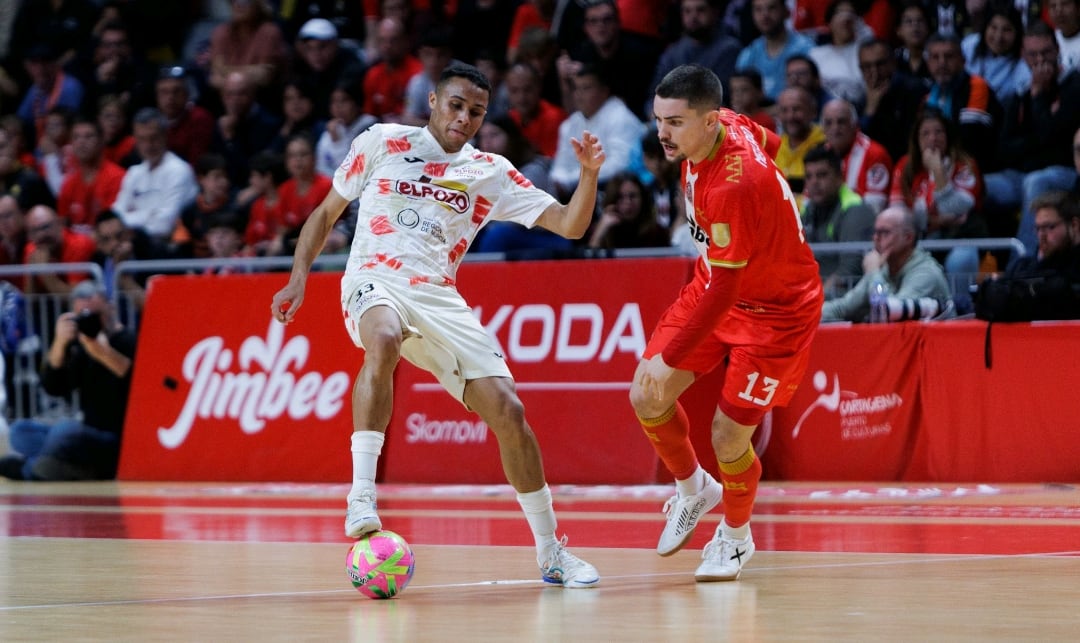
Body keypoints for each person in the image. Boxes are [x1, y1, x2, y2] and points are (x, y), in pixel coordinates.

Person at [270, 63, 602, 588]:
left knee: (510, 414)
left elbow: (570, 225)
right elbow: (326, 213)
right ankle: (361, 495)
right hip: (375, 278)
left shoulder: (489, 170)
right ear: (431, 100)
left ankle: (551, 553)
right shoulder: (381, 141)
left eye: (476, 112)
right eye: (456, 105)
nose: (464, 118)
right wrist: (298, 279)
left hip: (440, 297)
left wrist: (588, 176)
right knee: (381, 339)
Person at [631, 64, 823, 582]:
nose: (662, 134)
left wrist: (670, 356)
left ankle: (736, 537)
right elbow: (775, 141)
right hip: (717, 281)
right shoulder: (730, 126)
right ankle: (694, 490)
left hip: (776, 313)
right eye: (658, 120)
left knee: (727, 438)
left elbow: (725, 293)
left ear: (711, 121)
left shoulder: (733, 188)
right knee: (646, 395)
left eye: (674, 123)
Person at [0, 281, 136, 481]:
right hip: (86, 434)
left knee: (65, 431)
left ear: (111, 306)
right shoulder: (81, 347)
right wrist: (59, 343)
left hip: (117, 439)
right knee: (20, 431)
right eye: (83, 316)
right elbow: (53, 387)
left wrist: (103, 353)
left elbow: (135, 382)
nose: (90, 321)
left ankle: (31, 468)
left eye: (95, 314)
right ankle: (59, 465)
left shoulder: (130, 340)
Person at [821, 205, 955, 322]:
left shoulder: (926, 273)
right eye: (875, 232)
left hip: (939, 346)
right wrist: (806, 315)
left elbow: (891, 312)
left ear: (908, 237)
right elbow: (842, 308)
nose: (876, 238)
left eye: (884, 232)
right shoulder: (883, 268)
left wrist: (873, 272)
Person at [548, 64, 645, 200]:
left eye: (586, 88)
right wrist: (564, 182)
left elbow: (620, 166)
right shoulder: (569, 124)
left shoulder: (621, 118)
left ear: (604, 91)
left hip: (615, 193)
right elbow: (559, 168)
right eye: (576, 88)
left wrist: (573, 180)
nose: (579, 95)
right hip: (576, 191)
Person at [112, 107, 198, 244]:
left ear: (165, 136)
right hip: (135, 247)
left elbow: (163, 226)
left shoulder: (179, 171)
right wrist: (149, 214)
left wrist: (131, 217)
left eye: (153, 138)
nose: (148, 145)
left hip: (168, 250)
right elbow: (115, 219)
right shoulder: (134, 173)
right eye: (142, 139)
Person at [800, 144, 877, 294]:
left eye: (822, 175)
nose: (814, 182)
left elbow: (849, 271)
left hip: (845, 300)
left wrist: (813, 302)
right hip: (815, 296)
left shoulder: (855, 209)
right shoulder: (808, 209)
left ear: (839, 177)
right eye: (809, 176)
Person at [858, 37, 929, 163]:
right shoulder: (861, 101)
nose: (875, 73)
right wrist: (870, 110)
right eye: (867, 66)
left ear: (893, 63)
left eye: (880, 64)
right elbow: (858, 145)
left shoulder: (914, 90)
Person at [734, 0, 816, 102]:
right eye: (758, 9)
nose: (765, 15)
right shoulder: (748, 54)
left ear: (786, 12)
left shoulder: (805, 48)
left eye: (771, 8)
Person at [820, 98, 892, 212]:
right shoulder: (821, 155)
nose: (835, 128)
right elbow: (809, 200)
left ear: (855, 125)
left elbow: (874, 208)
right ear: (822, 129)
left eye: (841, 122)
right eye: (829, 123)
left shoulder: (874, 154)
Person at [587, 171, 670, 250]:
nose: (627, 202)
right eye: (620, 197)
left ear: (643, 199)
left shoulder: (657, 232)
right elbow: (589, 261)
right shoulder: (601, 229)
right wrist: (601, 230)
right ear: (612, 200)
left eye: (632, 196)